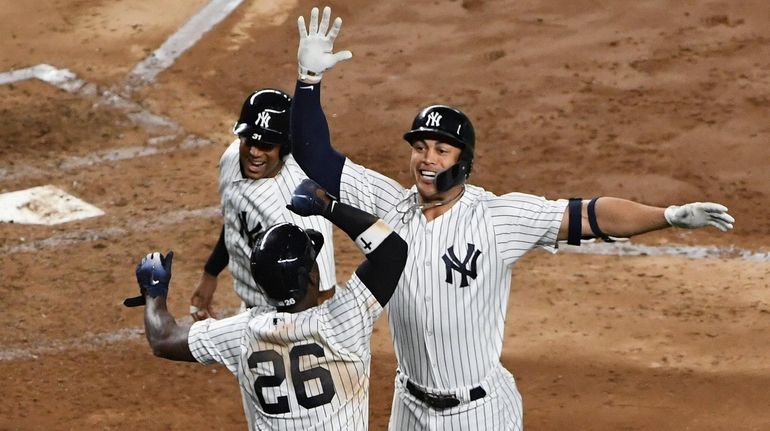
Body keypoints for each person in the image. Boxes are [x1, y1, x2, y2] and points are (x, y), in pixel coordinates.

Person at [288, 6, 736, 430]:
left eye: (442, 150)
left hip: (479, 412)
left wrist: (669, 215)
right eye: (420, 147)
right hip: (409, 407)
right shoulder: (388, 203)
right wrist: (309, 80)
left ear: (463, 162)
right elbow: (315, 155)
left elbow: (589, 215)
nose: (427, 160)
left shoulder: (498, 218)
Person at [124, 179, 408, 430]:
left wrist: (154, 292)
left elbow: (163, 338)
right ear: (312, 277)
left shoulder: (243, 333)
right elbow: (393, 251)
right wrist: (328, 207)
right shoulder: (343, 321)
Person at [189, 87, 337, 321]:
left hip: (288, 320)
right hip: (250, 308)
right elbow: (236, 218)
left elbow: (323, 293)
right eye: (249, 142)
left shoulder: (302, 206)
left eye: (267, 145)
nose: (255, 153)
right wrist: (210, 274)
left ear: (285, 147)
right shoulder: (231, 160)